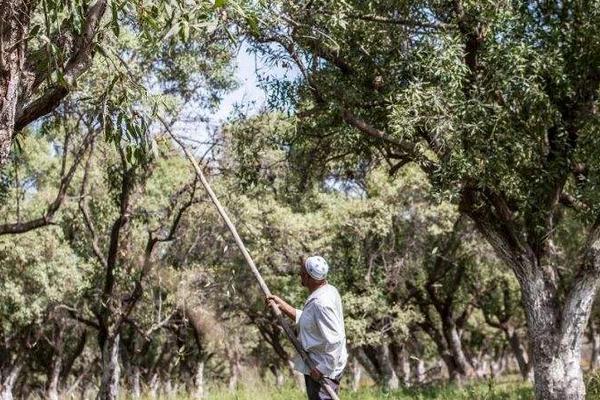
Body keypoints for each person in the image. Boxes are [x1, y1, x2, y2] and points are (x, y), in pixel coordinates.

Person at [267, 255, 347, 400]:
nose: (299, 275)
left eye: (302, 272)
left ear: (310, 277)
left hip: (323, 369)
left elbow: (335, 339)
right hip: (319, 365)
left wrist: (322, 369)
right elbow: (311, 321)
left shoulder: (321, 303)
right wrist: (283, 307)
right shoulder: (327, 291)